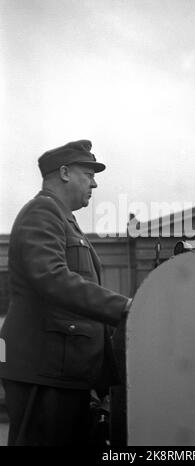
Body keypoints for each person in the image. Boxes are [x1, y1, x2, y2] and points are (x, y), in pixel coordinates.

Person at [0, 140, 132, 446]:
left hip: (64, 371)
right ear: (64, 173)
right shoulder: (42, 212)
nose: (95, 183)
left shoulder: (63, 219)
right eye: (88, 173)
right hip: (45, 371)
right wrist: (124, 307)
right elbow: (52, 278)